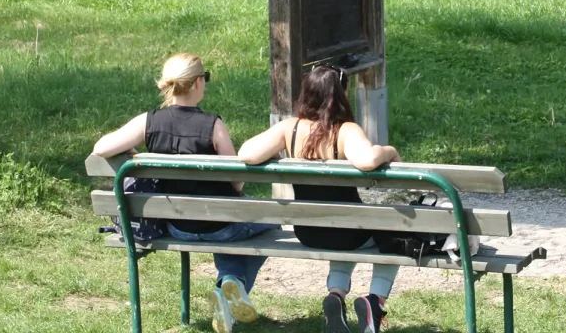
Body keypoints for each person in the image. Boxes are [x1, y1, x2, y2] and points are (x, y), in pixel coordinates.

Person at [92, 53, 277, 333]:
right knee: (270, 220)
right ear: (197, 83)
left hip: (176, 227)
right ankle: (232, 282)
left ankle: (228, 285)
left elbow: (102, 147)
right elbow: (237, 184)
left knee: (230, 220)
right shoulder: (213, 125)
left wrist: (134, 153)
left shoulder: (148, 122)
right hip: (221, 226)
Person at [238, 65, 402, 333]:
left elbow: (246, 153)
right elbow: (369, 159)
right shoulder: (345, 130)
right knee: (393, 232)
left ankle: (336, 294)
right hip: (349, 233)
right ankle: (375, 301)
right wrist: (388, 150)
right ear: (341, 94)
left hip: (309, 232)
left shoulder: (288, 129)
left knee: (346, 224)